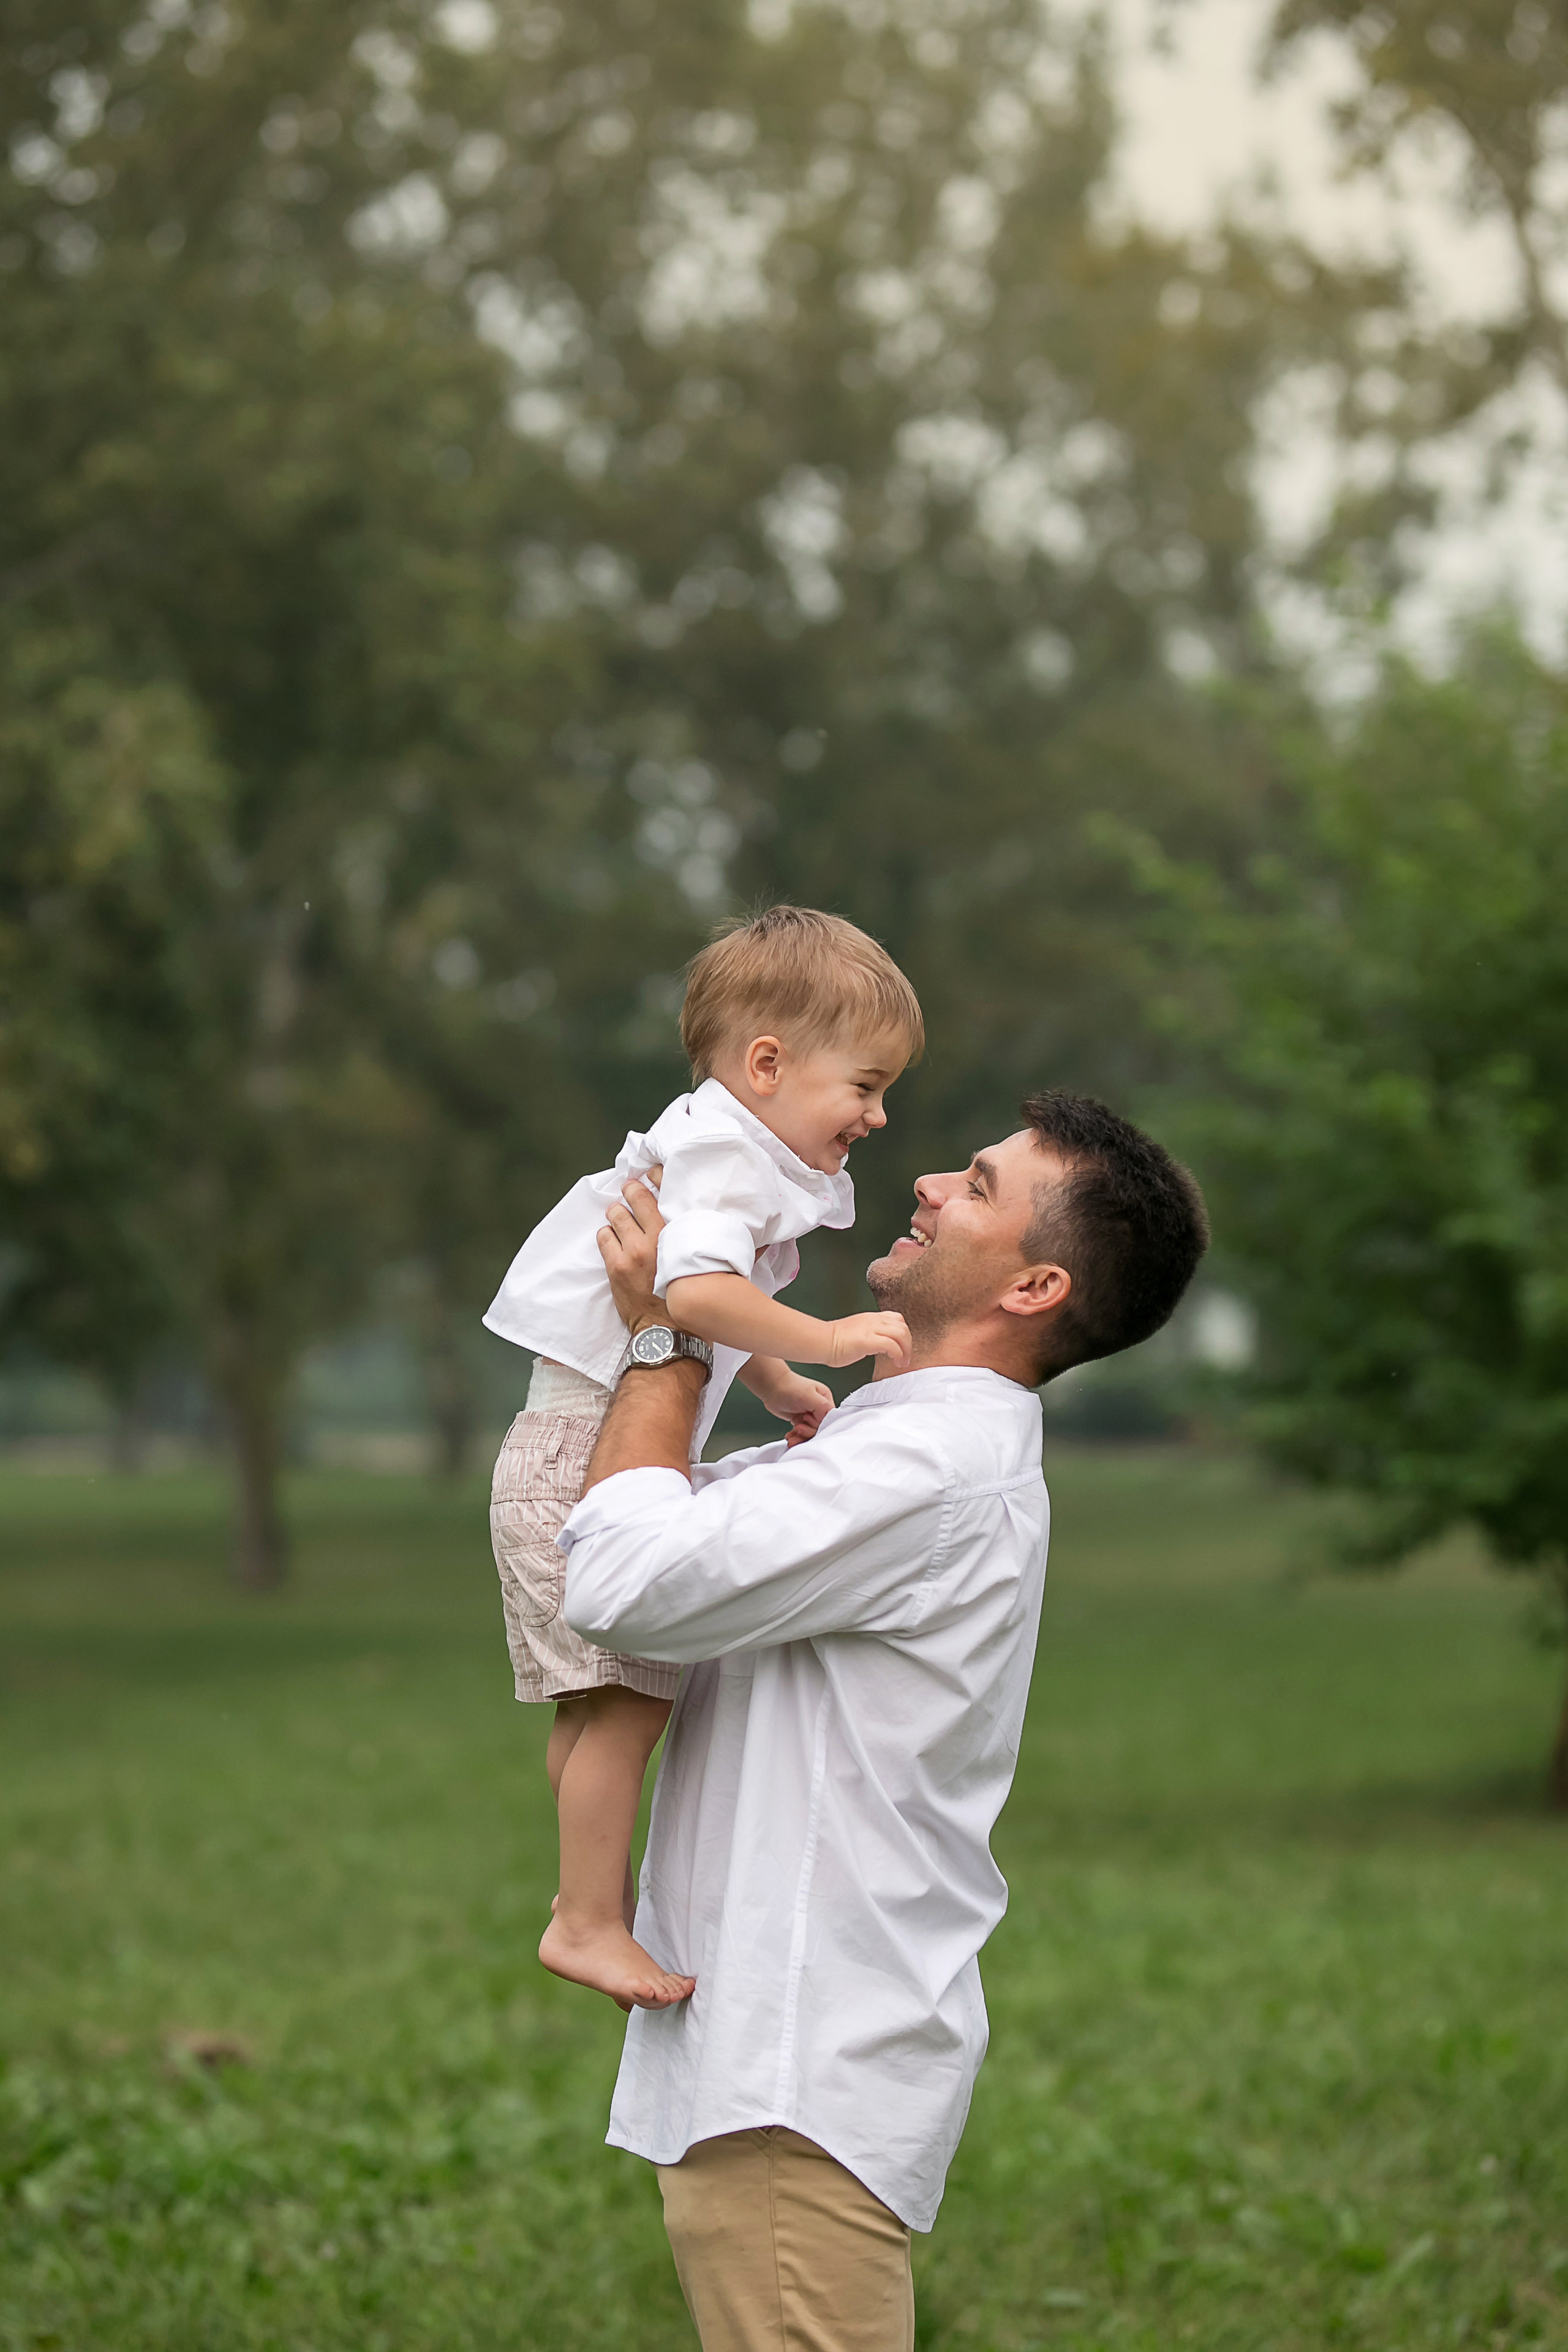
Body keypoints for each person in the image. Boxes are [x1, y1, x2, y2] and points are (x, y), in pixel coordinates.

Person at [556, 1090, 1210, 2352]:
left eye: (973, 1185)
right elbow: (660, 1522)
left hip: (797, 2068)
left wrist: (663, 1337)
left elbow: (620, 1578)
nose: (922, 1185)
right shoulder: (891, 1441)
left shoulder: (924, 1470)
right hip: (784, 2062)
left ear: (1031, 1287)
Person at [482, 906, 924, 2011]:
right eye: (864, 1087)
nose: (876, 1116)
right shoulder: (728, 1154)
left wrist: (770, 1380)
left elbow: (718, 1296)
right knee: (621, 1710)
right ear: (767, 1064)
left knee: (597, 1710)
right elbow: (691, 1294)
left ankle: (581, 1904)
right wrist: (822, 1343)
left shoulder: (726, 1149)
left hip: (557, 1453)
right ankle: (586, 1918)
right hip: (584, 1458)